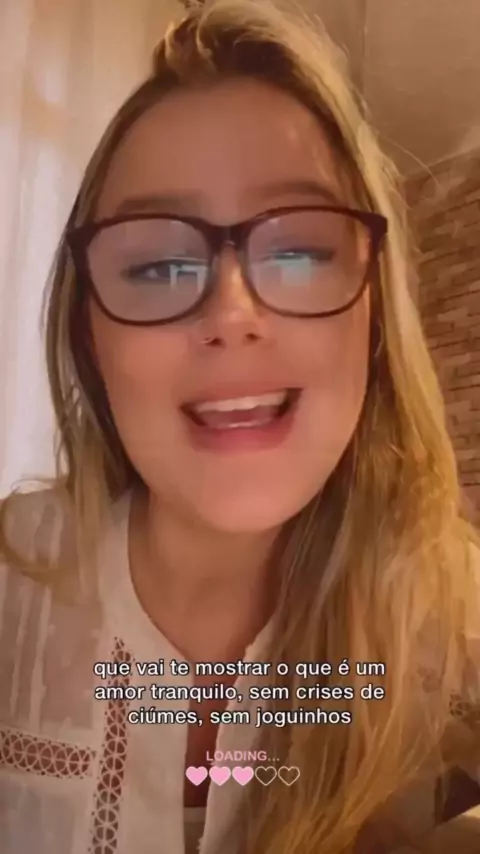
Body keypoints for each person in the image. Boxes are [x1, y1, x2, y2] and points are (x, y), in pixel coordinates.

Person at [0, 1, 480, 852]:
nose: (231, 314)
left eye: (296, 252)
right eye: (158, 264)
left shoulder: (454, 606)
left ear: (373, 315)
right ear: (90, 334)